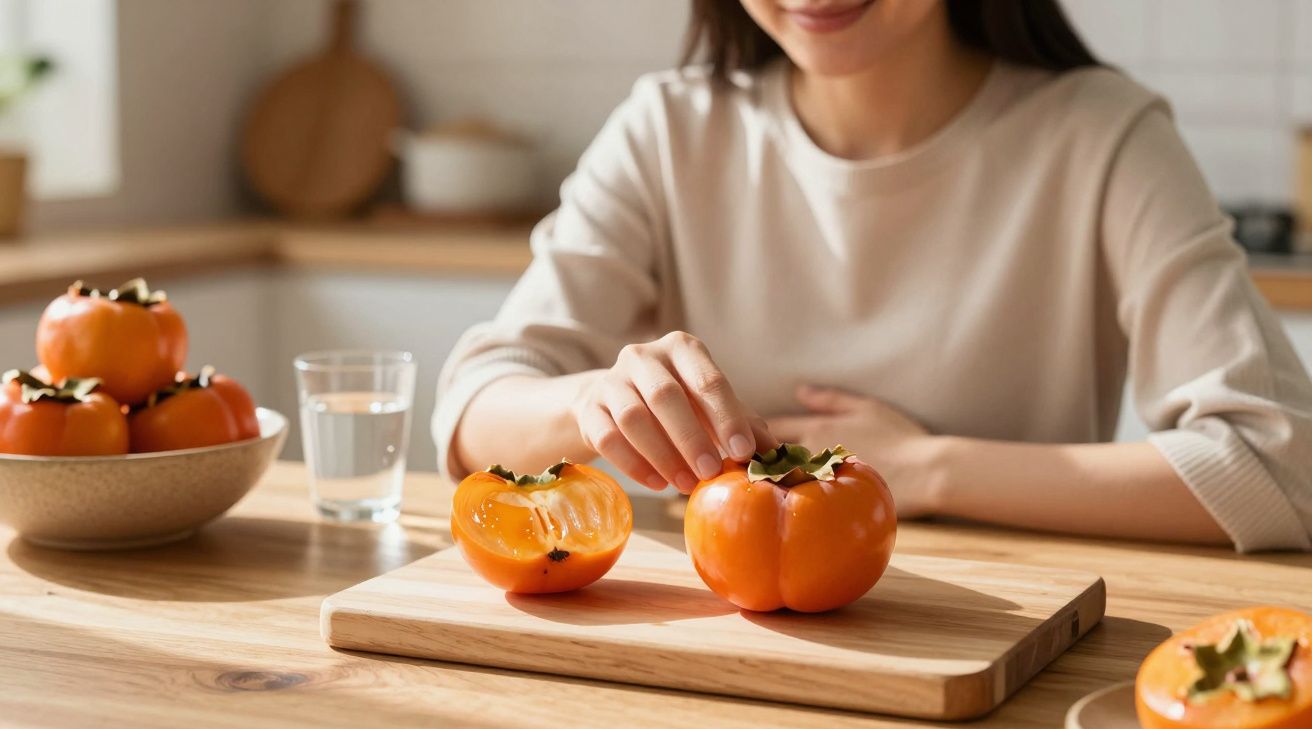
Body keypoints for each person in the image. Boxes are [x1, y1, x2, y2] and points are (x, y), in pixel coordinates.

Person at [433, 0, 1312, 552]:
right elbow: (471, 411)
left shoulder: (1104, 137)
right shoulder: (668, 129)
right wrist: (597, 399)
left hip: (1003, 651)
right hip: (721, 655)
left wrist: (929, 469)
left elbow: (1279, 466)